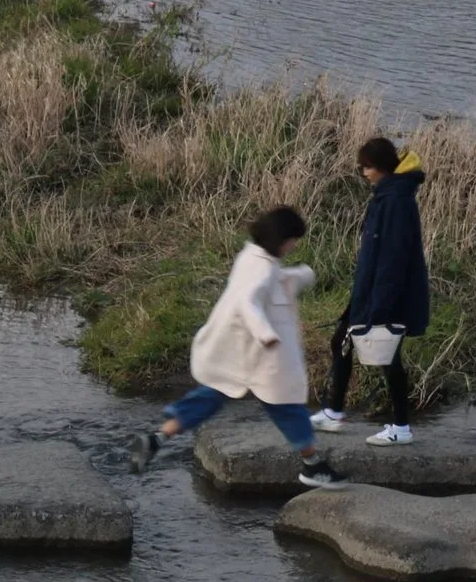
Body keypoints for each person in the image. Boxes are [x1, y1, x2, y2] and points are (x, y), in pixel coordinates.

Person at [127, 207, 347, 488]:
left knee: (209, 397)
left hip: (234, 353)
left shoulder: (252, 257)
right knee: (287, 407)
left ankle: (157, 438)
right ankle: (313, 466)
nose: (294, 245)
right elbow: (249, 301)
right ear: (281, 239)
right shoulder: (264, 269)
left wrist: (301, 275)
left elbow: (269, 283)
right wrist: (266, 334)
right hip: (259, 355)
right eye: (293, 240)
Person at [313, 136, 429, 445]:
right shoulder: (388, 195)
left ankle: (401, 428)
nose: (364, 173)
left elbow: (393, 258)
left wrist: (380, 306)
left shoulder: (395, 201)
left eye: (366, 167)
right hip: (371, 290)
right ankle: (333, 412)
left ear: (380, 167)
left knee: (387, 356)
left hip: (387, 295)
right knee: (342, 339)